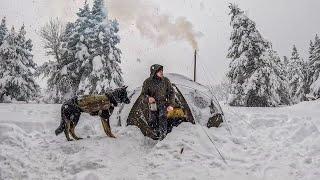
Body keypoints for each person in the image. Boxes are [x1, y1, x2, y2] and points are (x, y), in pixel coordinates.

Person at [141, 64, 175, 140]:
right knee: (153, 121)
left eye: (162, 70)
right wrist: (148, 98)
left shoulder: (165, 81)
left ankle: (163, 137)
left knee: (162, 117)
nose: (162, 72)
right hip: (153, 105)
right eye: (160, 71)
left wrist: (171, 104)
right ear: (155, 72)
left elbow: (172, 92)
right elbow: (143, 95)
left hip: (163, 104)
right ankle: (156, 136)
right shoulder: (147, 82)